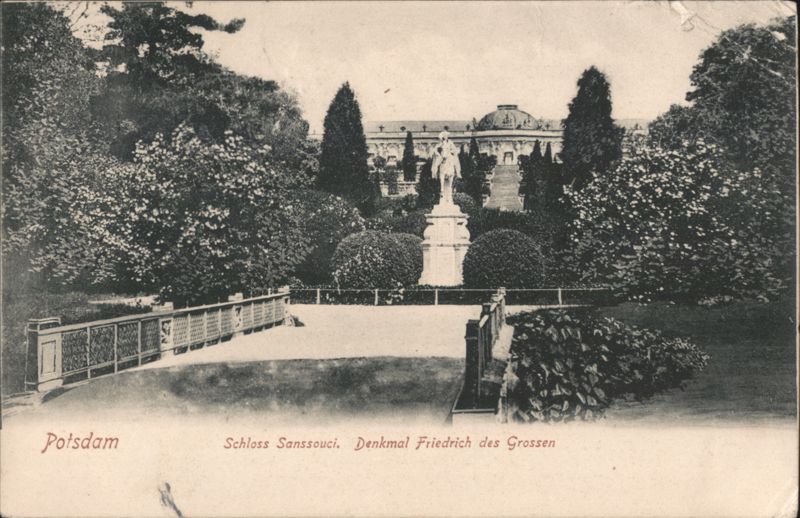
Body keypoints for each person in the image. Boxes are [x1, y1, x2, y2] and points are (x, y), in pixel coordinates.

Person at [431, 131, 461, 205]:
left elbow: (455, 150)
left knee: (455, 161)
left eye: (446, 136)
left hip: (449, 155)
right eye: (444, 136)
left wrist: (452, 151)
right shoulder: (441, 143)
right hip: (442, 156)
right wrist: (438, 153)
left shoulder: (450, 143)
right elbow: (435, 149)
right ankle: (434, 173)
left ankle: (458, 172)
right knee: (436, 163)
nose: (445, 137)